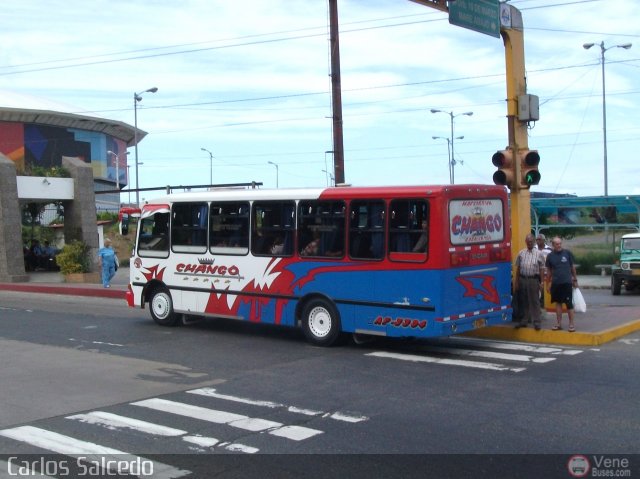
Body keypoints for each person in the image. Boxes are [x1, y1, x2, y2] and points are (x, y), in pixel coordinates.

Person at [545, 236, 578, 332]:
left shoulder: (567, 253)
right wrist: (548, 283)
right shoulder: (550, 256)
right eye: (557, 244)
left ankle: (571, 324)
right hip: (556, 283)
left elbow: (572, 268)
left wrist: (575, 280)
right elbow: (549, 271)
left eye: (560, 243)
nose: (559, 245)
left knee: (569, 304)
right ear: (553, 245)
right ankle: (558, 324)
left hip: (567, 283)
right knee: (558, 304)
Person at [514, 234, 545, 330]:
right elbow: (518, 268)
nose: (530, 243)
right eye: (528, 242)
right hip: (523, 279)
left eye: (531, 241)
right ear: (525, 242)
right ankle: (524, 320)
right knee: (524, 301)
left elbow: (542, 269)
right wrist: (517, 282)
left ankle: (537, 321)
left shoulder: (539, 254)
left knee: (535, 301)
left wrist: (542, 282)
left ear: (534, 242)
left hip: (533, 280)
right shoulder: (521, 253)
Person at [535, 233, 552, 307]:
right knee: (536, 288)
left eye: (539, 239)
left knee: (544, 289)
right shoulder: (534, 249)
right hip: (535, 272)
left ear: (543, 240)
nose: (538, 241)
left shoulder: (549, 250)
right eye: (537, 240)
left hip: (545, 273)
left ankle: (543, 303)